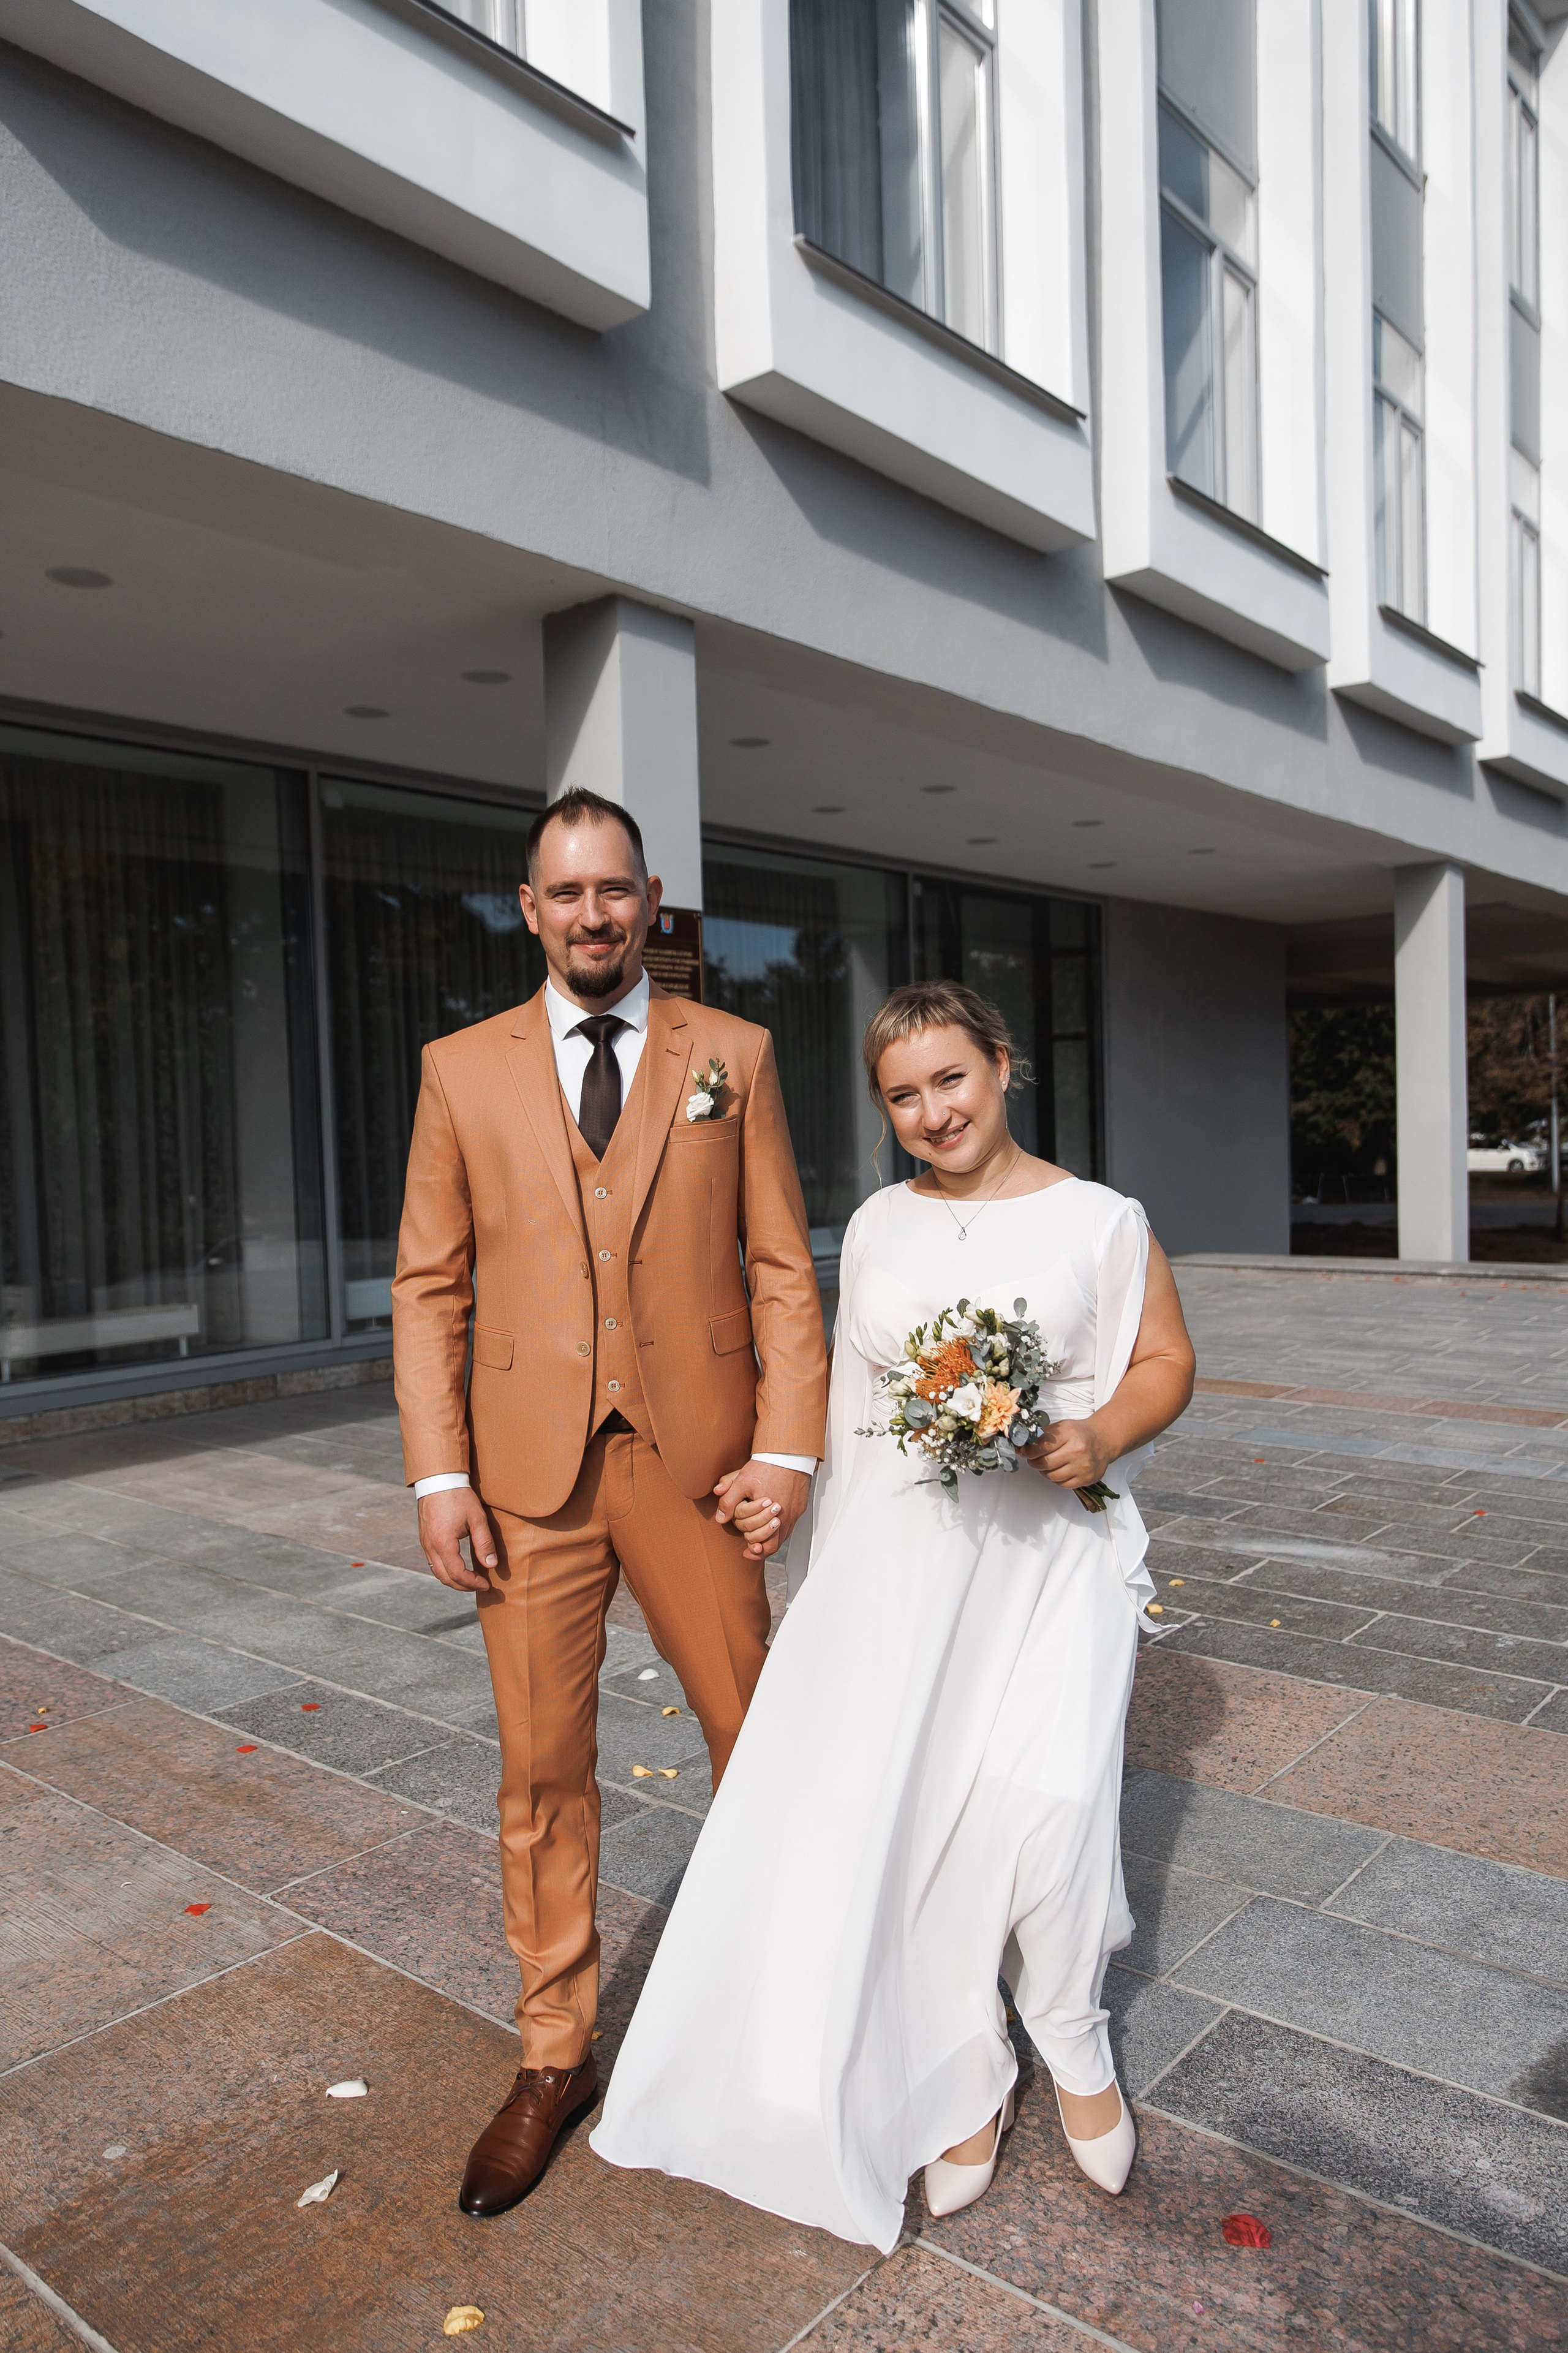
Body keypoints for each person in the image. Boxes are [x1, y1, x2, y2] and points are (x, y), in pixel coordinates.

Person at [591, 980, 1196, 2251]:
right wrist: (805, 1536)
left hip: (1045, 1566)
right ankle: (956, 2062)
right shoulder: (874, 1226)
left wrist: (1099, 1432)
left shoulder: (1100, 1220)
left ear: (1002, 1064)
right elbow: (846, 1397)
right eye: (902, 1095)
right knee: (922, 1813)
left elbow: (1163, 1362)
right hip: (903, 1566)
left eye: (950, 1080)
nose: (931, 1111)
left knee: (1047, 1803)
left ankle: (1073, 2033)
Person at [391, 785, 827, 2218]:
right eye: (564, 893)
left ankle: (788, 2016)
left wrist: (787, 1450)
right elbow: (429, 1285)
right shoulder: (460, 1069)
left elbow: (779, 1267)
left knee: (754, 1743)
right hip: (524, 1479)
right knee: (538, 1770)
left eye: (614, 890)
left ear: (650, 902)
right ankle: (551, 2056)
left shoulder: (736, 1055)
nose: (591, 914)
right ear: (530, 909)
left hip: (698, 1464)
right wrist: (439, 1471)